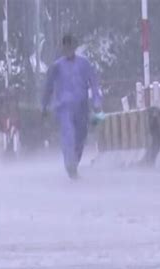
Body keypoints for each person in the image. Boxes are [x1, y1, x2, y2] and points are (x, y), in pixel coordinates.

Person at [42, 34, 103, 179]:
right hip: (64, 108)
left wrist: (96, 102)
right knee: (68, 135)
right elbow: (48, 87)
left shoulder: (84, 64)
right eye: (65, 46)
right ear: (63, 48)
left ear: (74, 47)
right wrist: (44, 105)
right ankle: (70, 164)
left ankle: (74, 162)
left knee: (81, 137)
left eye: (70, 46)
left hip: (82, 107)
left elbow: (94, 84)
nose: (68, 49)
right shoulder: (56, 67)